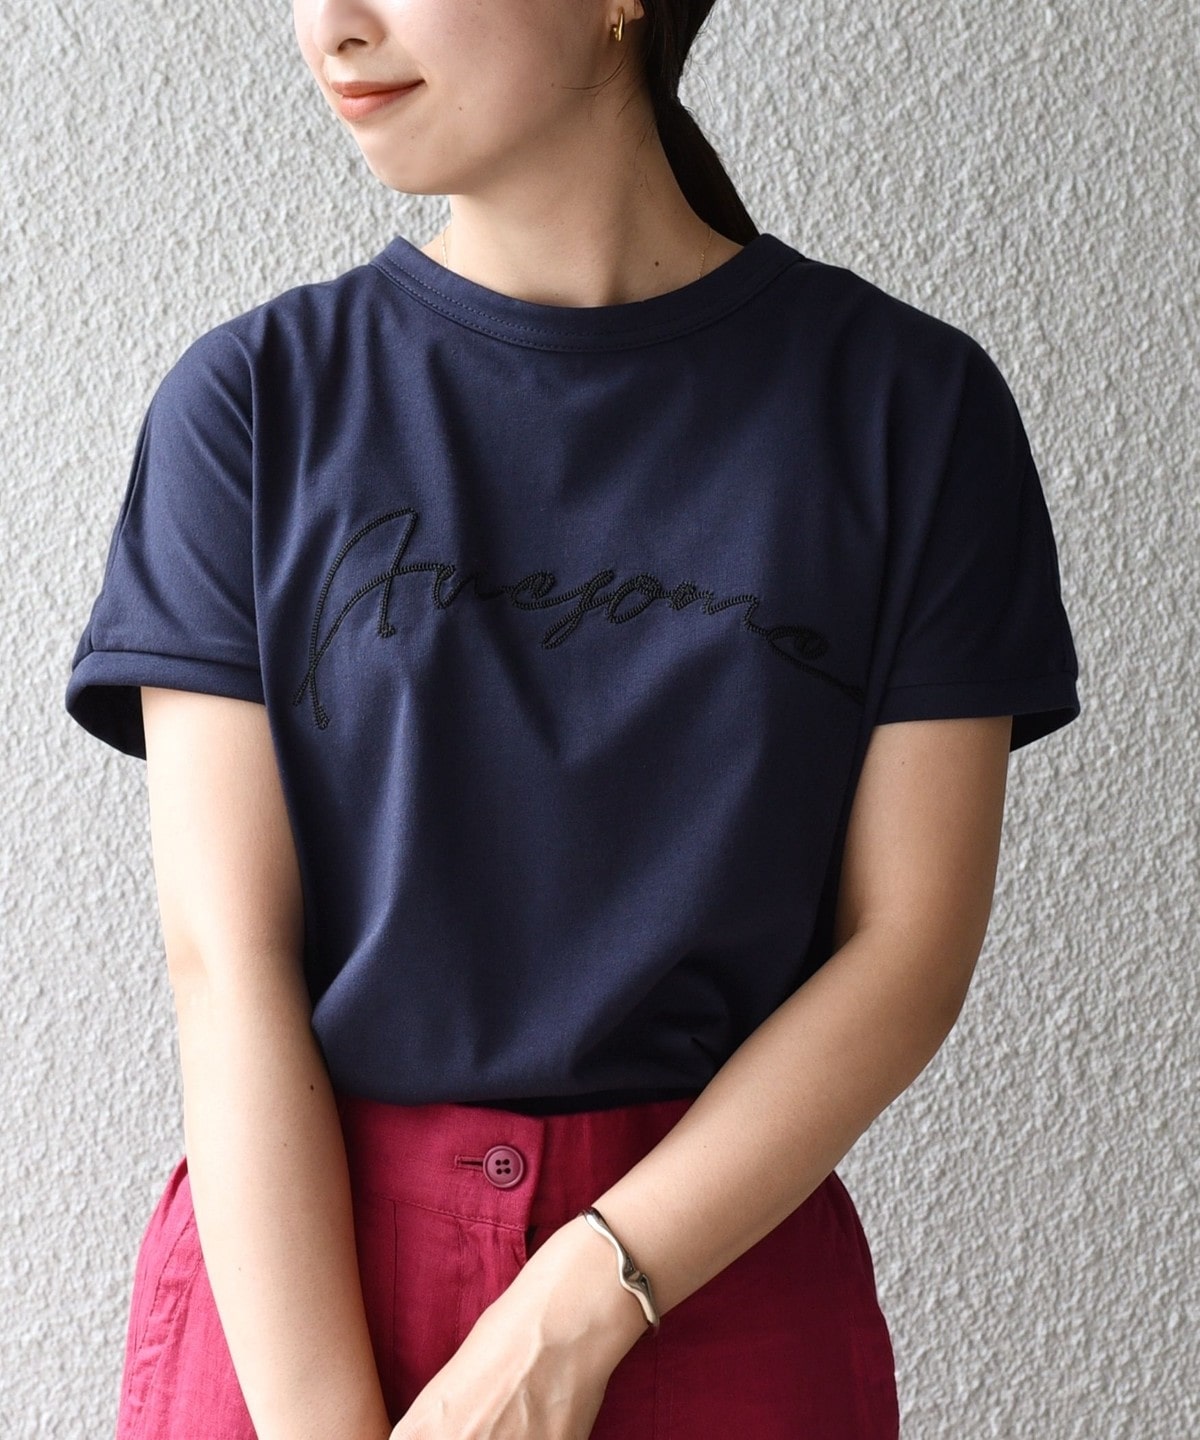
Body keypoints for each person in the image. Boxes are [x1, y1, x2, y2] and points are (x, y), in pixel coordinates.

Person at [64, 1, 1081, 1437]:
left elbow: (906, 952)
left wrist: (572, 1313)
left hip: (705, 1283)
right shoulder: (250, 409)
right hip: (297, 1291)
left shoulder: (910, 411)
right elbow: (227, 967)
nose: (330, 28)